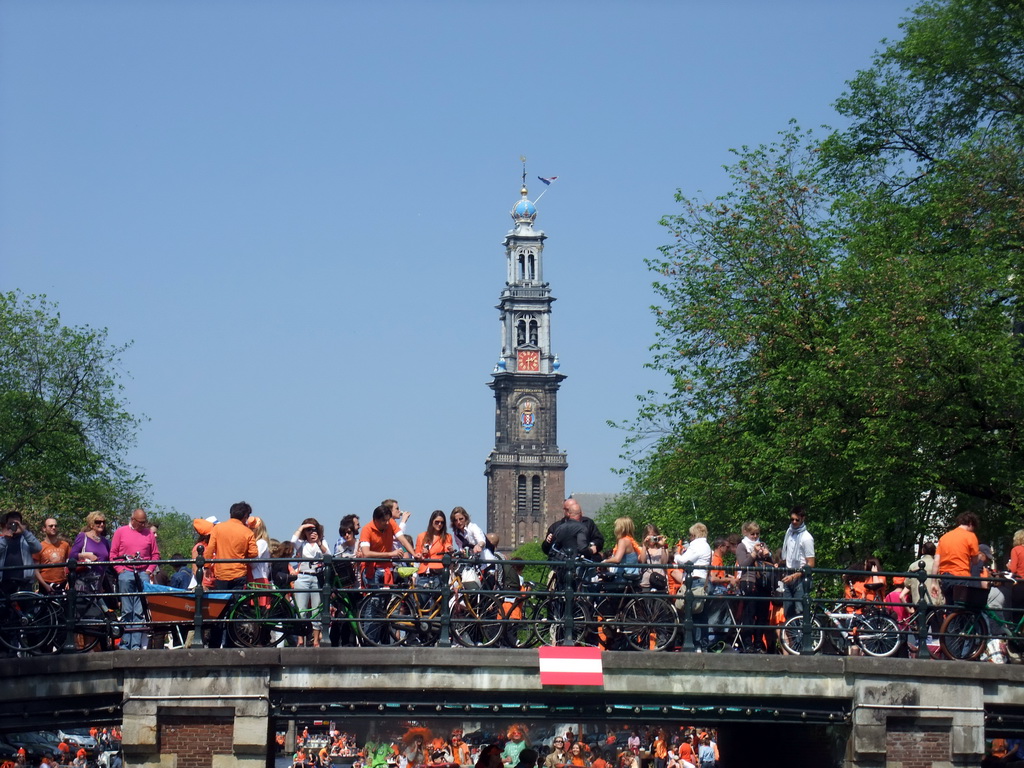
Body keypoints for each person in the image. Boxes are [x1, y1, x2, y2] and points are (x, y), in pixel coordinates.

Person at [206, 502, 258, 647]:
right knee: (236, 611)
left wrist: (206, 566)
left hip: (221, 574)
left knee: (219, 610)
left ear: (231, 514)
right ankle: (232, 643)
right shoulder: (247, 532)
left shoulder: (219, 528)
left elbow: (210, 550)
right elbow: (254, 553)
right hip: (238, 574)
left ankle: (214, 644)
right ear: (245, 516)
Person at [109, 508, 160, 650]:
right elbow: (113, 554)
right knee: (126, 610)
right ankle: (125, 644)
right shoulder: (121, 532)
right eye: (141, 522)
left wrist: (149, 570)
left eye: (145, 522)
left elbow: (155, 554)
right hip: (126, 573)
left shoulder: (149, 534)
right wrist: (120, 570)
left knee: (139, 611)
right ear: (133, 520)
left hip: (143, 573)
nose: (144, 525)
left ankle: (136, 645)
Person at [673, 523, 712, 649]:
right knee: (701, 613)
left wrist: (676, 554)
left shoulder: (697, 545)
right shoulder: (705, 545)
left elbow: (684, 561)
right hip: (701, 580)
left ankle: (696, 644)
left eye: (690, 535)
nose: (689, 538)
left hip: (694, 581)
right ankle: (702, 644)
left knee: (693, 613)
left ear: (694, 534)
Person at [932, 511, 981, 605]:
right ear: (971, 523)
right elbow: (975, 561)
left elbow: (936, 562)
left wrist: (933, 582)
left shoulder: (944, 537)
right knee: (963, 610)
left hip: (945, 578)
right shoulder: (970, 536)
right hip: (961, 577)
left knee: (951, 609)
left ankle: (950, 619)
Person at [780, 506, 815, 620]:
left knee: (799, 611)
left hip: (800, 576)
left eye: (797, 520)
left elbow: (811, 563)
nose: (794, 522)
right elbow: (787, 555)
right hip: (788, 573)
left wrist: (795, 575)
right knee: (788, 611)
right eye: (792, 519)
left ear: (803, 519)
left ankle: (803, 637)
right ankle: (791, 637)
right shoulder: (789, 533)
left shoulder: (807, 538)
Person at [704, 536, 738, 649]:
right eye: (726, 547)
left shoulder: (718, 559)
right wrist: (729, 580)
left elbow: (718, 575)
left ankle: (716, 642)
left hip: (719, 591)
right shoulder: (716, 559)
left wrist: (727, 576)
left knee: (721, 619)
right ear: (720, 547)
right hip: (717, 592)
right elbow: (713, 578)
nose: (728, 549)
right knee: (717, 619)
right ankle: (712, 643)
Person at [0, 511, 42, 596]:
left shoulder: (26, 539)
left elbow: (38, 548)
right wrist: (6, 538)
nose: (13, 526)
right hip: (5, 582)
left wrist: (24, 531)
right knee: (5, 608)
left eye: (16, 523)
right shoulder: (2, 539)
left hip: (25, 583)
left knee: (27, 608)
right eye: (10, 523)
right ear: (6, 524)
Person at [415, 510, 453, 590]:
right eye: (437, 522)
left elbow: (447, 547)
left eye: (442, 522)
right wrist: (421, 554)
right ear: (432, 522)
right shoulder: (421, 536)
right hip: (423, 574)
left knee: (438, 601)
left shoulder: (447, 537)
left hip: (437, 574)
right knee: (421, 601)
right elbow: (417, 555)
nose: (439, 524)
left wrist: (450, 549)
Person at [600, 517, 644, 584]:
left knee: (600, 584)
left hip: (624, 577)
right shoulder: (630, 540)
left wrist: (604, 562)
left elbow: (617, 559)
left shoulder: (623, 541)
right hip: (633, 573)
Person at [33, 517, 70, 593]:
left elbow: (70, 563)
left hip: (63, 583)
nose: (54, 528)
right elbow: (35, 569)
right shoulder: (39, 547)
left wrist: (69, 581)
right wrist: (44, 584)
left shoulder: (65, 545)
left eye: (55, 526)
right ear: (44, 528)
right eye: (51, 526)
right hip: (46, 584)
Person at [640, 524, 670, 590]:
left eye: (654, 536)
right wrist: (644, 545)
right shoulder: (643, 549)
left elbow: (664, 562)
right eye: (650, 536)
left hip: (660, 580)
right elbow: (642, 561)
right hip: (647, 581)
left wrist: (662, 546)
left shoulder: (663, 549)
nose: (652, 539)